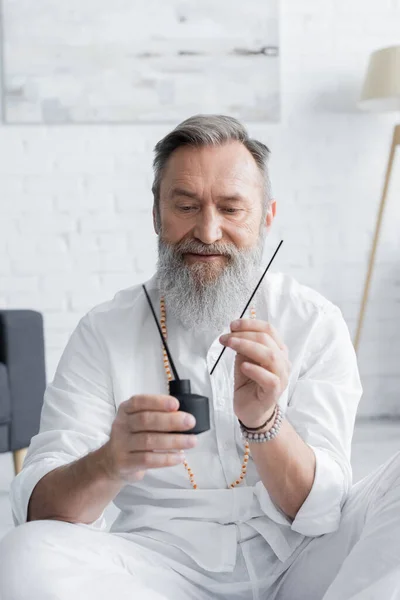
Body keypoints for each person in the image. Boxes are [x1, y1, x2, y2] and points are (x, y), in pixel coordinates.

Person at [0, 115, 399, 600]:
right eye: (187, 207)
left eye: (231, 209)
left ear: (266, 217)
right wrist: (110, 462)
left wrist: (266, 423)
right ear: (156, 215)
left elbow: (321, 511)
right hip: (157, 570)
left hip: (306, 562)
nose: (208, 232)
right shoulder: (103, 331)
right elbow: (40, 509)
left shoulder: (314, 322)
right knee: (24, 554)